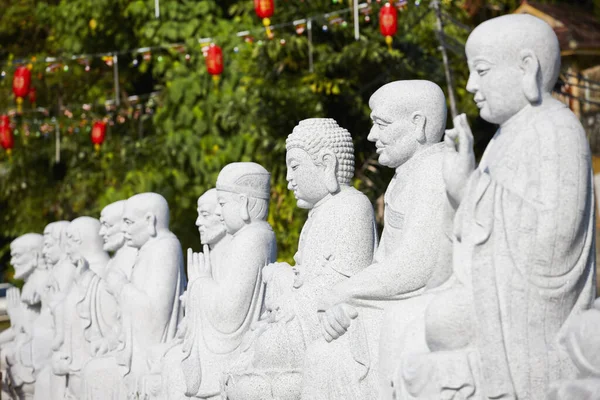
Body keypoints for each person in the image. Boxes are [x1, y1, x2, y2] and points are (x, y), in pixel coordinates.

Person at [398, 14, 596, 400]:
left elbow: (553, 241)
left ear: (528, 68)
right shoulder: (504, 137)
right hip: (490, 294)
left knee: (431, 328)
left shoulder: (557, 130)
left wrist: (469, 189)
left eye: (482, 71)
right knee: (421, 326)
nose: (471, 85)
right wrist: (463, 188)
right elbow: (471, 228)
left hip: (529, 313)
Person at [304, 81, 454, 399]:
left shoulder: (434, 173)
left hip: (420, 308)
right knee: (322, 349)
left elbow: (416, 265)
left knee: (325, 356)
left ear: (419, 124)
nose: (372, 135)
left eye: (381, 124)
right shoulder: (406, 176)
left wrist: (343, 291)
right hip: (392, 304)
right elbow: (383, 263)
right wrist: (347, 300)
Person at [224, 118, 377, 400]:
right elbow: (307, 278)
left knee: (268, 349)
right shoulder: (317, 215)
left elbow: (342, 286)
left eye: (295, 166)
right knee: (253, 343)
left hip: (333, 323)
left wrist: (285, 282)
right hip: (304, 320)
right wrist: (287, 281)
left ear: (327, 164)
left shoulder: (352, 207)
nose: (289, 179)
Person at [81, 193, 185, 400]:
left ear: (150, 220)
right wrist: (112, 341)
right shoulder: (149, 249)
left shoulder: (165, 248)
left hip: (150, 358)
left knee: (95, 373)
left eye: (128, 222)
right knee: (93, 371)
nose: (124, 229)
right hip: (137, 352)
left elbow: (153, 316)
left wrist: (119, 285)